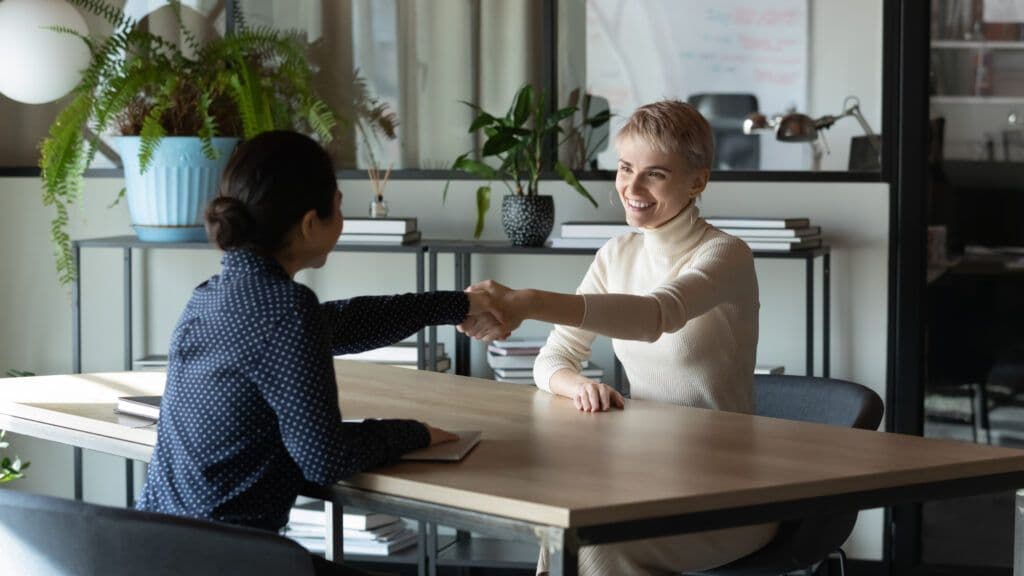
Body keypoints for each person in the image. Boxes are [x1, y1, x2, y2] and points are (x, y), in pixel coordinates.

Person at [136, 130, 500, 575]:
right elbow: (325, 459)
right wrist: (414, 432)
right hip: (229, 561)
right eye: (340, 205)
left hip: (155, 549)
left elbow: (344, 322)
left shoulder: (209, 298)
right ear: (311, 223)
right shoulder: (286, 307)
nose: (342, 218)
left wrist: (455, 304)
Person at [459, 101, 778, 575]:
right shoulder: (616, 254)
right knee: (565, 531)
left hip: (726, 488)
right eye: (626, 168)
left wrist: (528, 301)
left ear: (697, 181)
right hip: (642, 473)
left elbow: (656, 315)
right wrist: (578, 386)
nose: (631, 188)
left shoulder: (726, 254)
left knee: (594, 549)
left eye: (655, 174)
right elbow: (552, 360)